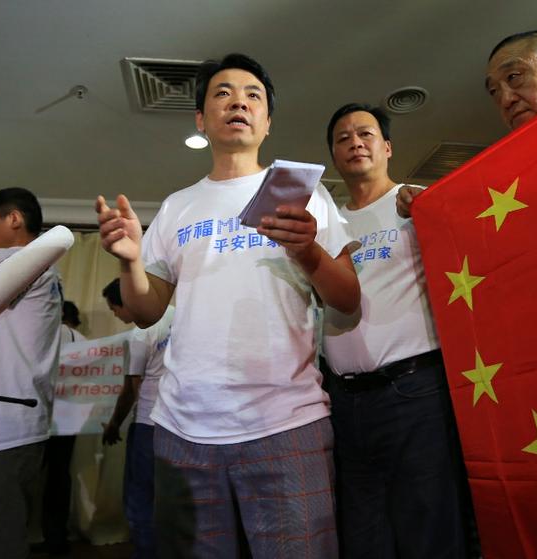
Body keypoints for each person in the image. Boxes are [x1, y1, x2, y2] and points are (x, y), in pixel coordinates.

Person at [95, 53, 359, 558]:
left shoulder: (307, 197)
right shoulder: (177, 206)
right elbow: (148, 311)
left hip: (287, 423)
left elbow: (347, 299)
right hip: (182, 430)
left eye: (252, 95)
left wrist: (305, 249)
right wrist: (130, 261)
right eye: (222, 93)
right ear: (201, 120)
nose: (238, 100)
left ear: (267, 122)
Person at [322, 103, 476, 558]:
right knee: (364, 535)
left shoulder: (419, 202)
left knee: (429, 527)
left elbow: (473, 259)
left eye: (365, 133)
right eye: (343, 138)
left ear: (387, 146)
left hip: (415, 391)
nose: (355, 143)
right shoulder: (326, 220)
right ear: (333, 155)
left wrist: (435, 215)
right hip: (344, 400)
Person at [397, 30, 537, 218]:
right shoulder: (504, 184)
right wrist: (425, 203)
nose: (506, 99)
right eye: (494, 91)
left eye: (514, 77)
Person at [0, 187, 62, 558]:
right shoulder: (43, 269)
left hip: (4, 426)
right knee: (6, 527)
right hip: (19, 421)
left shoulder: (21, 262)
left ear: (14, 219)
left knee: (2, 531)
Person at [101, 278, 173, 559]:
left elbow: (133, 389)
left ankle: (145, 552)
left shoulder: (141, 334)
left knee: (141, 495)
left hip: (149, 424)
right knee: (174, 497)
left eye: (114, 309)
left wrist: (114, 425)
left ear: (127, 302)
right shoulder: (180, 316)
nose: (116, 315)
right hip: (184, 425)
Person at [35, 301, 88, 555]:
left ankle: (30, 532)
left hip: (41, 412)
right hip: (71, 416)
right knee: (60, 475)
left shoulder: (45, 334)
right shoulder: (83, 340)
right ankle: (58, 537)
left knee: (33, 475)